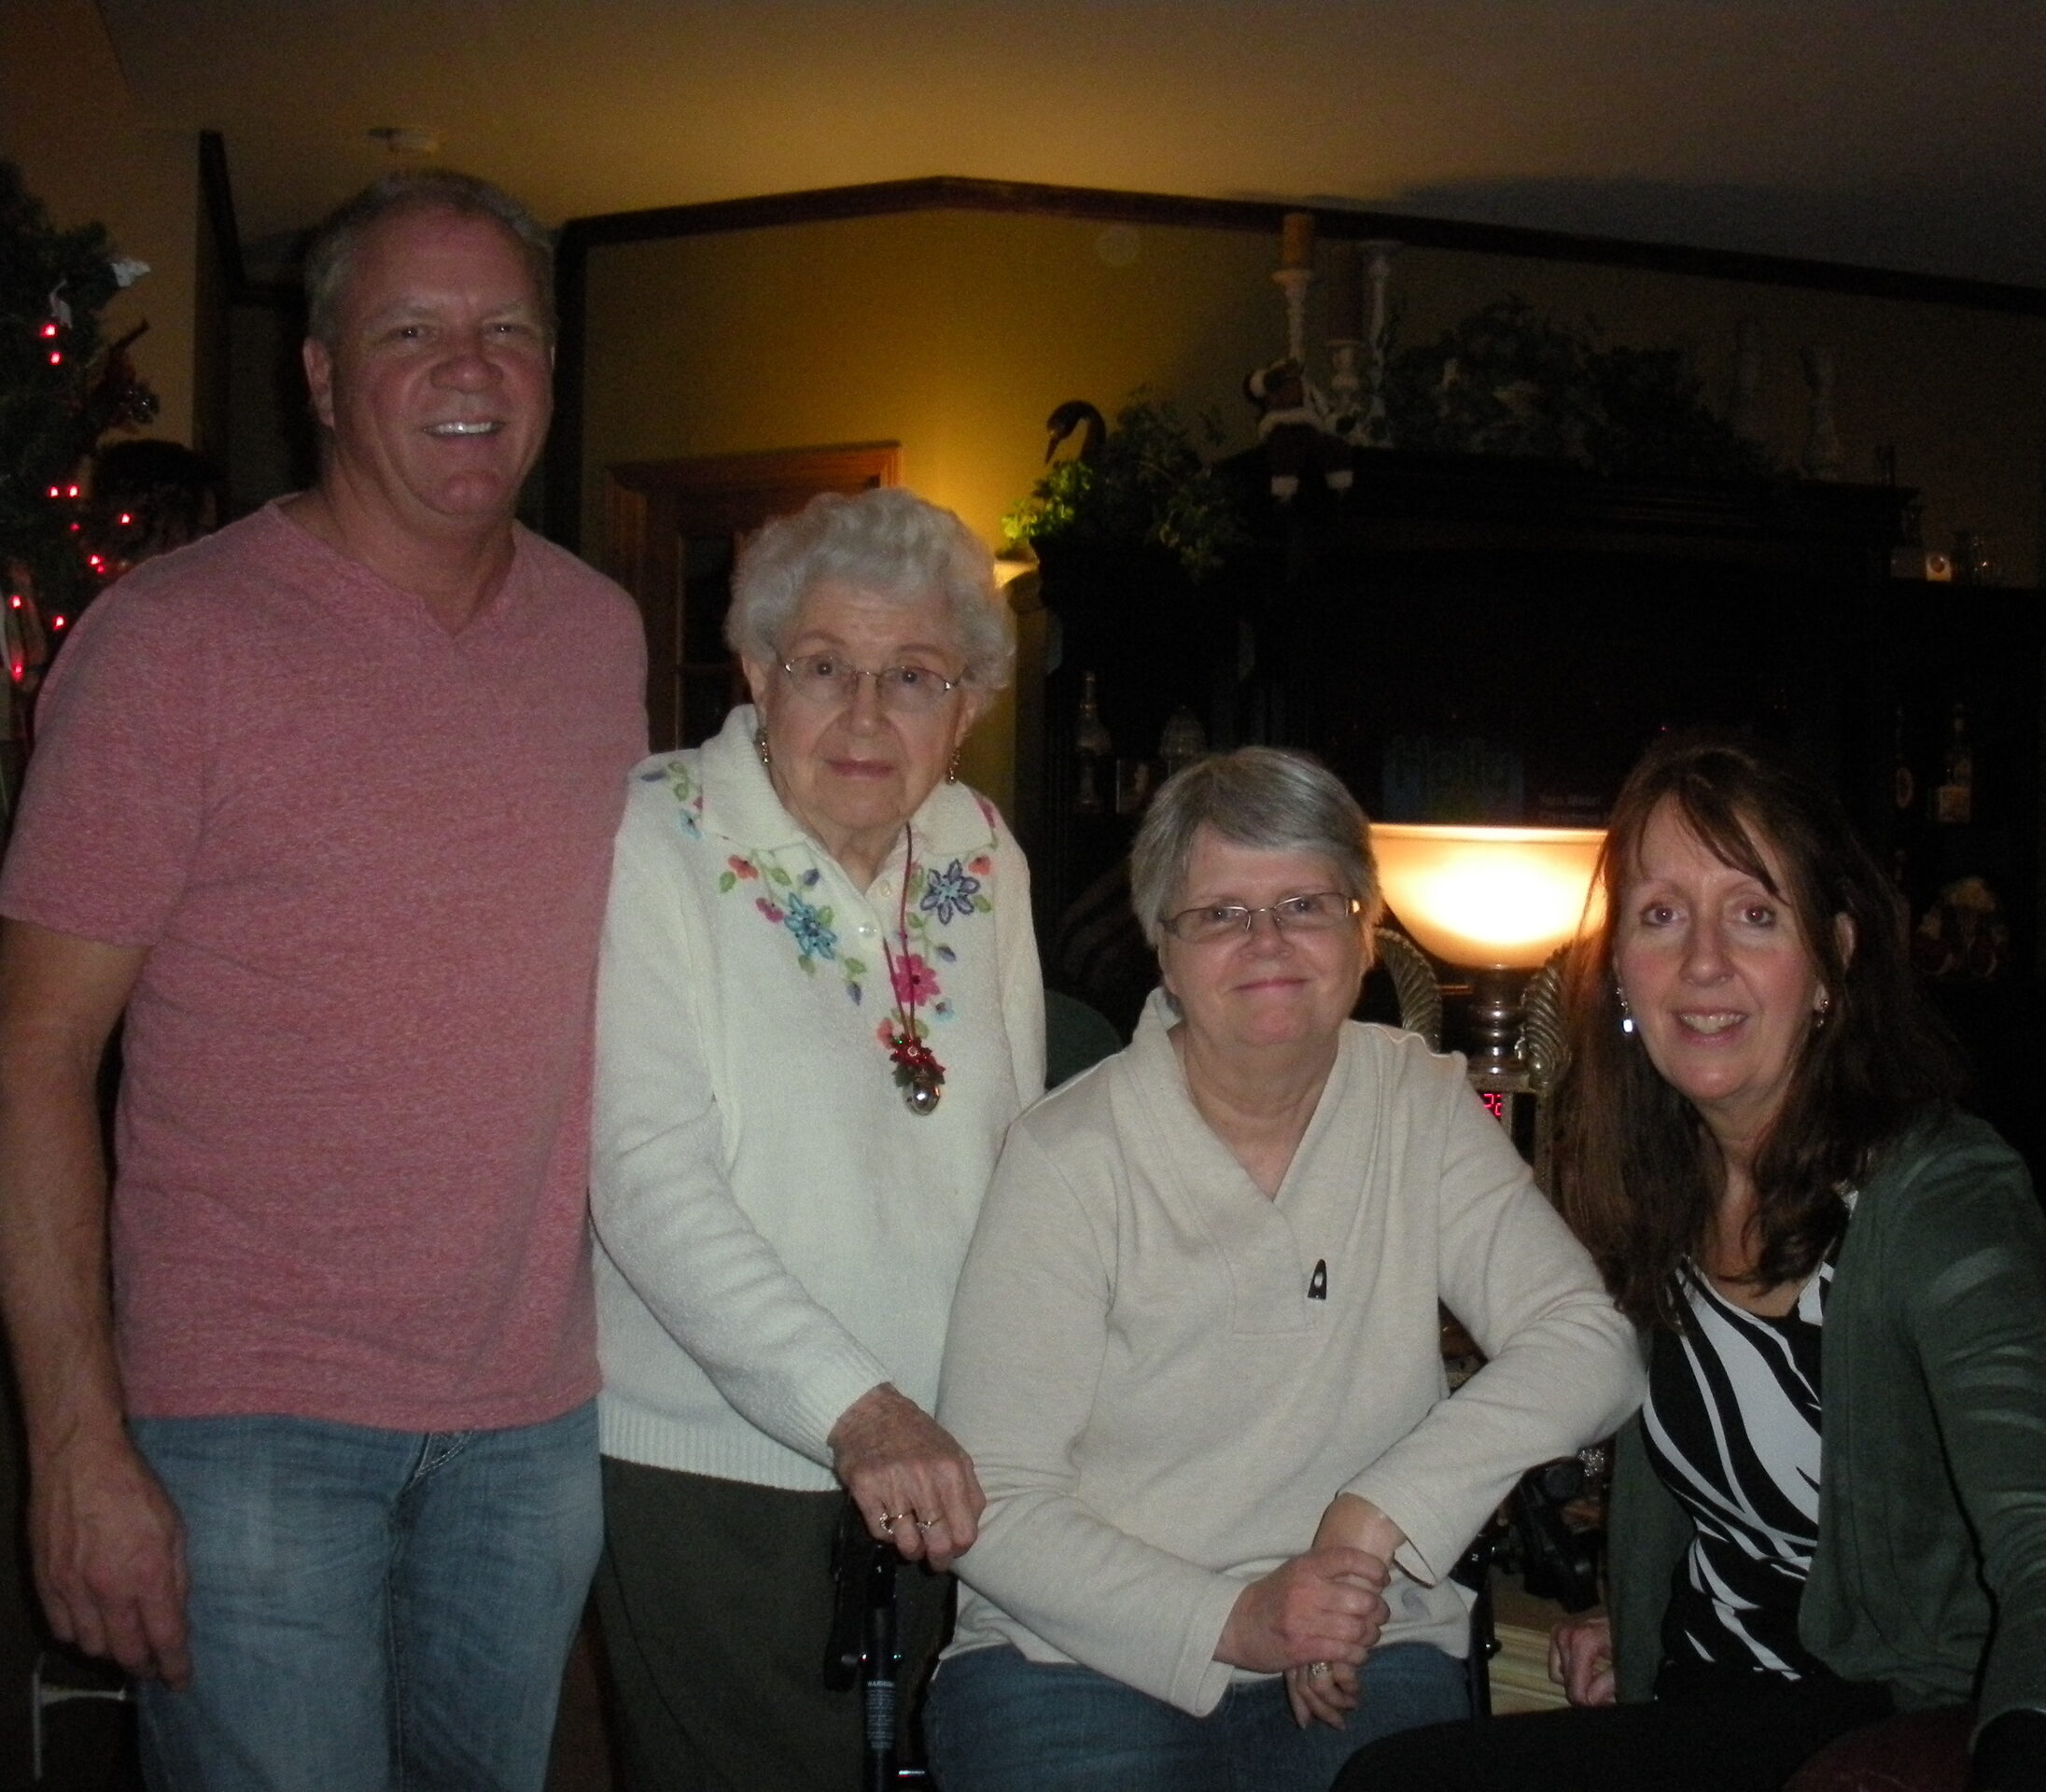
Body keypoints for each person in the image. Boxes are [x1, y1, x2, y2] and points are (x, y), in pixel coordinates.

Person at [0, 169, 647, 1790]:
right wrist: (77, 1443)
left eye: (507, 330)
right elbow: (32, 1053)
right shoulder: (172, 642)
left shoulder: (600, 637)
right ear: (321, 374)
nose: (470, 368)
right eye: (410, 331)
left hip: (533, 1414)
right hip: (248, 1421)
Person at [1337, 733, 2046, 1792]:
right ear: (1619, 967)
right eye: (1661, 915)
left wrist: (2041, 1753)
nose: (1703, 962)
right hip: (1698, 1690)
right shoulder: (1655, 1179)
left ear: (1834, 959)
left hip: (1878, 1722)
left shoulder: (1941, 1199)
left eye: (1754, 915)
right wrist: (1629, 1616)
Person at [926, 746, 1642, 1792]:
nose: (1266, 942)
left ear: (1365, 932)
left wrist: (1367, 1527)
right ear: (1164, 952)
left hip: (1362, 1638)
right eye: (1219, 914)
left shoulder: (1420, 1107)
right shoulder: (1066, 1155)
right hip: (1072, 1652)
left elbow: (1589, 1347)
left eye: (1305, 905)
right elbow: (995, 1501)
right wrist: (1239, 1619)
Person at [588, 485, 1044, 1790]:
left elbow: (1022, 1151)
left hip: (956, 1460)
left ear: (969, 704)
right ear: (755, 669)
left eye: (914, 676)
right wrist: (855, 1409)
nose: (865, 716)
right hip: (714, 1473)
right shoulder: (656, 832)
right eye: (825, 667)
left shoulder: (980, 849)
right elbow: (644, 1176)